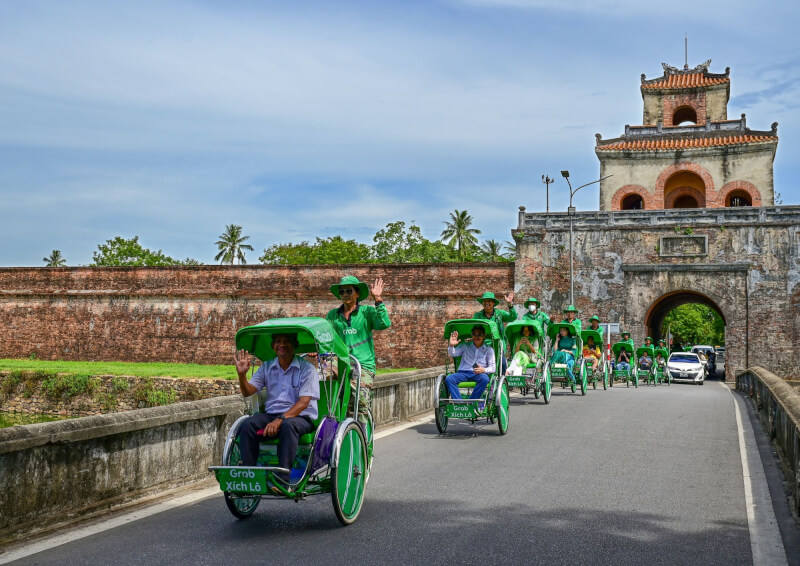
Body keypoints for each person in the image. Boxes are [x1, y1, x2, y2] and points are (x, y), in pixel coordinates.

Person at [234, 333, 320, 487]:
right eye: (278, 341)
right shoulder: (267, 367)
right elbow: (248, 391)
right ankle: (251, 476)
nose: (282, 344)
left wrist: (280, 420)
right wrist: (242, 376)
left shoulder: (307, 369)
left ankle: (283, 479)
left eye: (287, 341)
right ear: (273, 346)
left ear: (295, 345)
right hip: (271, 415)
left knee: (288, 425)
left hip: (301, 417)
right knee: (247, 425)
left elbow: (304, 403)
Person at [326, 275, 391, 425]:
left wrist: (378, 299)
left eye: (349, 291)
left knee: (359, 399)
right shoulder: (333, 315)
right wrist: (316, 349)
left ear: (357, 294)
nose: (345, 295)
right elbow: (326, 336)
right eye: (342, 292)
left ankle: (362, 439)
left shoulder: (366, 312)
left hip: (362, 364)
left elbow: (384, 324)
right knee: (322, 382)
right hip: (339, 362)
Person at [445, 325, 496, 402]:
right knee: (449, 378)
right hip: (463, 372)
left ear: (484, 335)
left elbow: (493, 368)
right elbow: (453, 354)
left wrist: (483, 370)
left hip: (478, 374)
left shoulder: (489, 350)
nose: (476, 337)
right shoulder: (465, 346)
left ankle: (471, 402)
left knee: (485, 379)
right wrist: (451, 346)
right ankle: (459, 404)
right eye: (474, 334)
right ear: (472, 335)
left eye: (479, 334)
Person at [473, 291, 516, 372]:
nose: (487, 303)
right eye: (485, 301)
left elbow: (513, 317)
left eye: (489, 301)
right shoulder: (477, 315)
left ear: (493, 303)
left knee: (502, 364)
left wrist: (510, 305)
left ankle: (503, 381)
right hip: (482, 343)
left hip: (498, 344)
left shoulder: (499, 314)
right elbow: (472, 328)